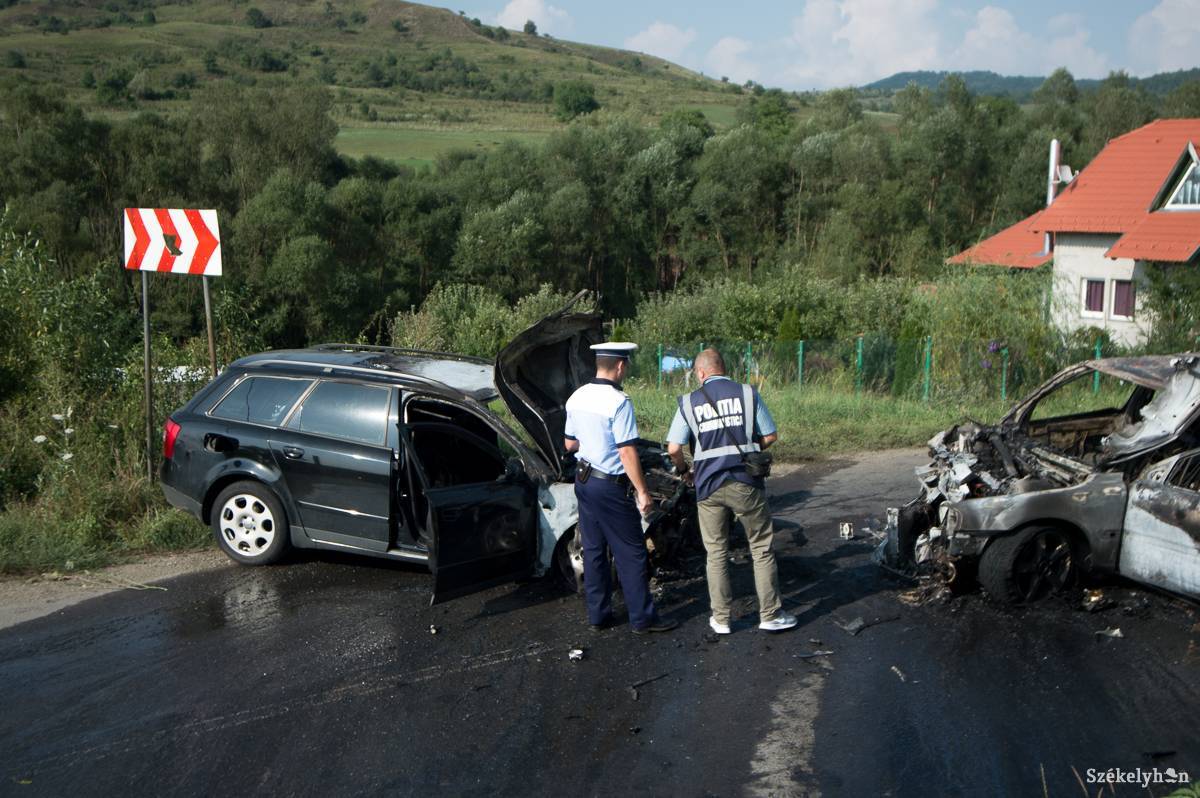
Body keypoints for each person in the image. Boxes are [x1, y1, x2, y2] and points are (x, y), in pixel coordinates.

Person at [666, 348, 797, 635]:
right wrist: (751, 449)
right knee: (761, 548)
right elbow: (771, 435)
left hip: (708, 487)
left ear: (701, 372)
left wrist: (685, 470)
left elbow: (674, 448)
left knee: (716, 553)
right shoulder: (748, 394)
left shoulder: (689, 401)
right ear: (723, 369)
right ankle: (771, 615)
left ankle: (722, 619)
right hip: (746, 482)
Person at [564, 342, 677, 635]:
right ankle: (643, 619)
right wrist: (643, 491)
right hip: (609, 487)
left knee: (594, 550)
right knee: (631, 552)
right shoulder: (618, 402)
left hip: (584, 482)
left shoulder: (576, 396)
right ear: (620, 366)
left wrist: (592, 441)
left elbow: (570, 443)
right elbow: (627, 452)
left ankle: (598, 616)